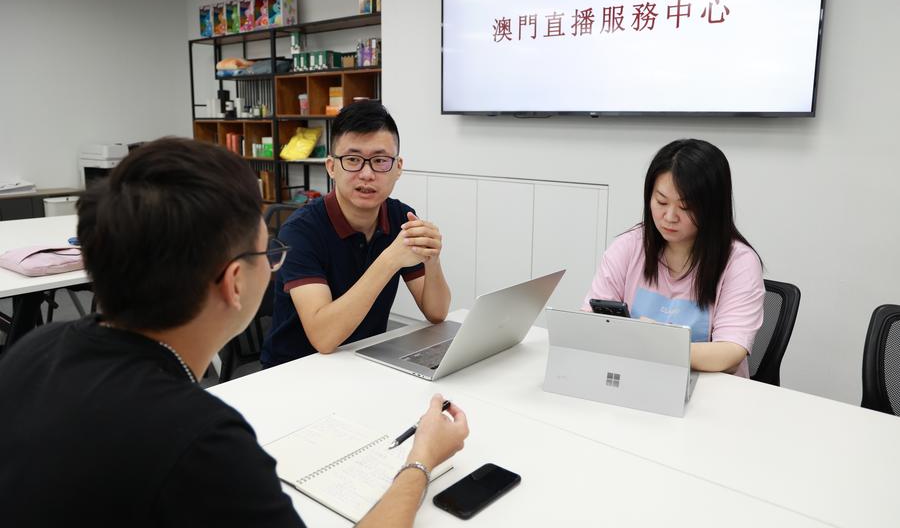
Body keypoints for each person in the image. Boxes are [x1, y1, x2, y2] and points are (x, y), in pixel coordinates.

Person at [0, 138, 469, 528]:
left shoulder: (33, 349)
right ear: (236, 282)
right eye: (269, 256)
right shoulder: (203, 444)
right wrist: (421, 460)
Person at [262, 100, 451, 367]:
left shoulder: (401, 217)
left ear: (398, 168)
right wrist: (389, 261)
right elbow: (324, 338)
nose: (366, 173)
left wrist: (433, 261)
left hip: (363, 362)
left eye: (380, 161)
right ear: (331, 167)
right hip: (295, 371)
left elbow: (437, 312)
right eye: (352, 160)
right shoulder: (300, 231)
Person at [583, 139, 764, 377]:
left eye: (686, 207)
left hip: (709, 392)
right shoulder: (629, 247)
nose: (669, 216)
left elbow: (730, 353)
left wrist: (659, 343)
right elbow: (592, 323)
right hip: (636, 379)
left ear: (712, 208)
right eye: (661, 202)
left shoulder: (739, 263)